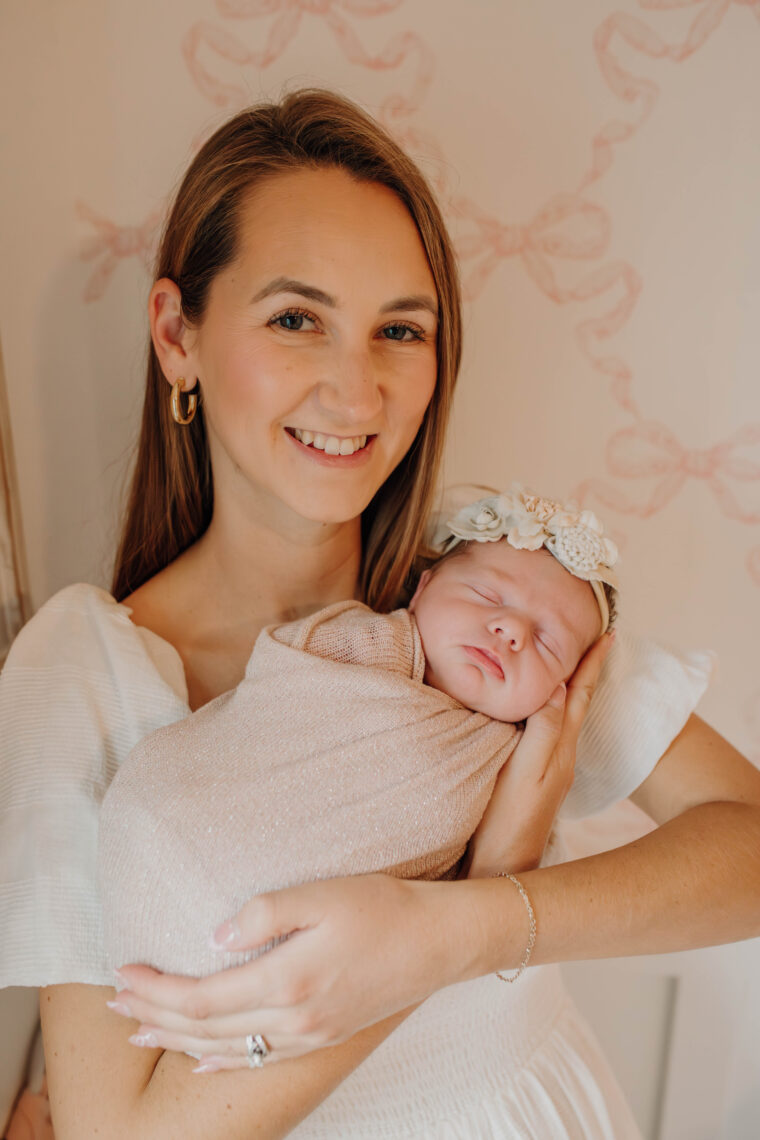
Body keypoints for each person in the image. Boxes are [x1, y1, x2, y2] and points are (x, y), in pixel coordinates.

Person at [1, 89, 758, 1140]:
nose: (358, 393)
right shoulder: (86, 670)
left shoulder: (489, 597)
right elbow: (117, 1132)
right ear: (178, 336)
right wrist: (468, 885)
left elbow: (750, 849)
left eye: (399, 330)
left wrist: (472, 926)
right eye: (295, 319)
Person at [98, 488, 618, 983]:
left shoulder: (516, 762)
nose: (511, 630)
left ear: (564, 689)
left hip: (324, 939)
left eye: (547, 643)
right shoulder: (374, 644)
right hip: (182, 816)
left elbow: (469, 879)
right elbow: (286, 684)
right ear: (423, 588)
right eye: (486, 594)